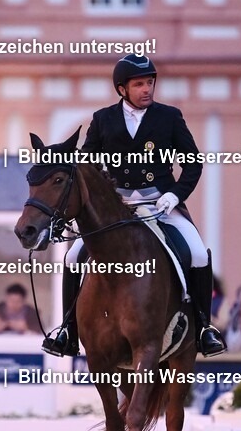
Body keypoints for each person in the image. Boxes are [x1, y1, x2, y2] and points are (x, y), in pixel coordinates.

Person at [41, 54, 226, 357]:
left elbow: (193, 164)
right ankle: (67, 330)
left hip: (160, 203)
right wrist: (92, 207)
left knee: (196, 252)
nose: (147, 89)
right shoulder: (103, 119)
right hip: (118, 207)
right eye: (139, 84)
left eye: (150, 82)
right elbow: (87, 166)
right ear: (122, 89)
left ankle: (205, 327)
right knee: (73, 257)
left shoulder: (169, 117)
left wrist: (175, 195)